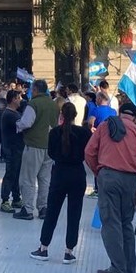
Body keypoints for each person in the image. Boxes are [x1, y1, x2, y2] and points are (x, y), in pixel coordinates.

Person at [84, 103, 136, 273]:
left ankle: (117, 267)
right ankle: (130, 266)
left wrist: (99, 172)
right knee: (126, 222)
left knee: (111, 222)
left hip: (108, 176)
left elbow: (89, 152)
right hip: (131, 180)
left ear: (120, 112)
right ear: (134, 116)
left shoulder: (106, 126)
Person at [29, 102, 90, 264]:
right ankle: (69, 251)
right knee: (74, 213)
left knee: (52, 212)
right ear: (76, 115)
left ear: (61, 115)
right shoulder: (84, 133)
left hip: (60, 174)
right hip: (78, 174)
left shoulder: (55, 132)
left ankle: (44, 247)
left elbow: (51, 153)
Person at [14, 79, 58, 220]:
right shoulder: (54, 104)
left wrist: (17, 124)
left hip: (33, 145)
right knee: (45, 179)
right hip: (49, 145)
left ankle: (27, 209)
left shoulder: (34, 104)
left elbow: (26, 122)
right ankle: (43, 208)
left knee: (28, 178)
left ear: (35, 90)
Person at [0, 89, 24, 214]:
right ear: (13, 99)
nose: (20, 100)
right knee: (10, 174)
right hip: (12, 149)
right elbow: (23, 126)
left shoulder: (13, 113)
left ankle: (16, 197)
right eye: (18, 98)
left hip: (16, 148)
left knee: (16, 174)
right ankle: (5, 200)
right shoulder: (10, 115)